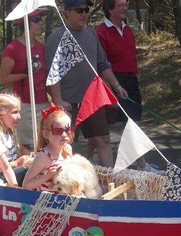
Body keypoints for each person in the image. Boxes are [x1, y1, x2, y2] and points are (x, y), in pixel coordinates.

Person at [45, 0, 127, 168]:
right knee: (66, 143)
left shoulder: (91, 34)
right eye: (79, 10)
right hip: (68, 102)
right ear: (67, 12)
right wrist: (58, 100)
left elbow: (102, 64)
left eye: (87, 9)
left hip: (92, 99)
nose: (84, 13)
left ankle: (109, 182)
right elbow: (53, 72)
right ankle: (66, 184)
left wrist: (116, 85)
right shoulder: (57, 37)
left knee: (103, 139)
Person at [96, 0, 162, 174]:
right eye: (120, 5)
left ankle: (142, 165)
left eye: (126, 4)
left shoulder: (128, 29)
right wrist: (110, 87)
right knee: (100, 127)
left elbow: (130, 57)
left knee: (133, 123)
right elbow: (100, 63)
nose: (125, 8)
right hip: (111, 81)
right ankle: (89, 160)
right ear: (110, 9)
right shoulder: (101, 31)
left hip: (130, 82)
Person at [0, 9, 49, 155]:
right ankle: (28, 175)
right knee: (28, 146)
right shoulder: (12, 48)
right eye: (37, 19)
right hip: (24, 104)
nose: (41, 23)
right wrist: (25, 74)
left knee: (43, 142)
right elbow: (3, 78)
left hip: (43, 101)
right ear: (26, 23)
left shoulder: (41, 47)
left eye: (41, 19)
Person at [22, 104, 73, 191]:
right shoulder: (43, 156)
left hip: (67, 196)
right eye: (58, 131)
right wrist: (47, 176)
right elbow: (26, 185)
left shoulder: (67, 149)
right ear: (46, 133)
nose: (64, 135)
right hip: (48, 200)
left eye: (67, 130)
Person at [0, 93, 30, 186]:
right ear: (0, 115)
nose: (19, 117)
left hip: (11, 172)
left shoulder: (10, 132)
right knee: (28, 170)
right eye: (15, 112)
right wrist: (16, 163)